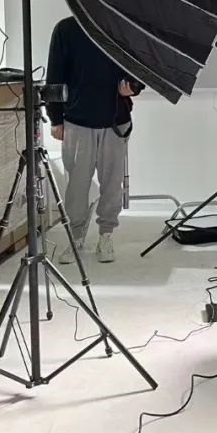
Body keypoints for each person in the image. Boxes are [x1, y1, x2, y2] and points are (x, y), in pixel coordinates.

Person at [46, 17, 141, 264]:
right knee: (77, 186)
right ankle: (75, 236)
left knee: (112, 183)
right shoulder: (66, 29)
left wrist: (133, 86)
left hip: (115, 119)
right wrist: (55, 118)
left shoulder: (121, 26)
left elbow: (139, 67)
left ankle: (106, 235)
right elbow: (55, 75)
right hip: (77, 119)